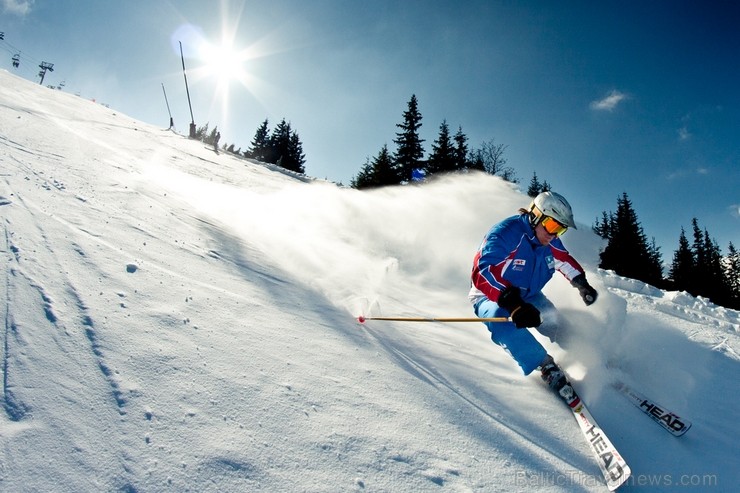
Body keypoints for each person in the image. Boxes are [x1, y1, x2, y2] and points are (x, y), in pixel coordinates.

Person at [469, 191, 598, 405]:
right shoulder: (506, 234)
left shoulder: (549, 240)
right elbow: (483, 270)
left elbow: (564, 261)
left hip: (528, 294)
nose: (554, 235)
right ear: (536, 216)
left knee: (553, 321)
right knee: (502, 324)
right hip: (492, 295)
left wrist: (581, 284)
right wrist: (513, 304)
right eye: (552, 226)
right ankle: (545, 365)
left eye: (561, 229)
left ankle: (585, 351)